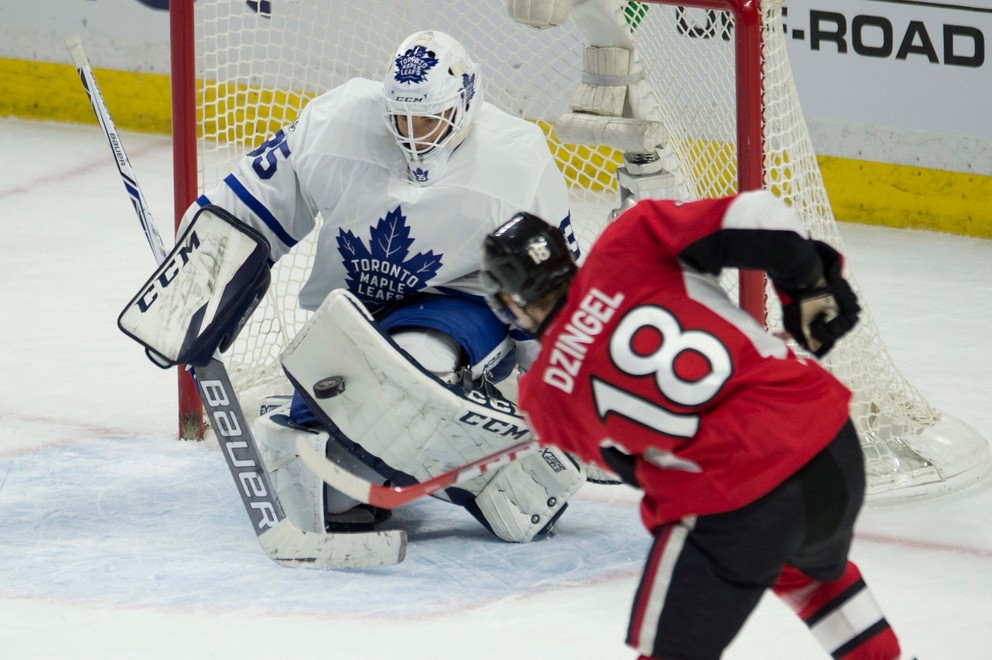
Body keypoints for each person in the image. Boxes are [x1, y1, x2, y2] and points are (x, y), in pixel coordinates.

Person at [179, 30, 586, 540]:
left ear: (464, 104)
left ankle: (485, 446)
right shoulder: (336, 122)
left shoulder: (518, 161)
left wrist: (562, 416)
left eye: (429, 118)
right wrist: (193, 274)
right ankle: (473, 466)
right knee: (325, 487)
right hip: (357, 320)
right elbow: (244, 206)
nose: (413, 133)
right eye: (401, 118)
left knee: (412, 371)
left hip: (462, 309)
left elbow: (552, 304)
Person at [479, 190, 905, 659]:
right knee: (812, 577)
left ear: (513, 303)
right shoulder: (632, 239)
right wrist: (808, 284)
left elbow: (631, 468)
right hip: (833, 450)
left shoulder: (546, 399)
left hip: (741, 503)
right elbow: (758, 215)